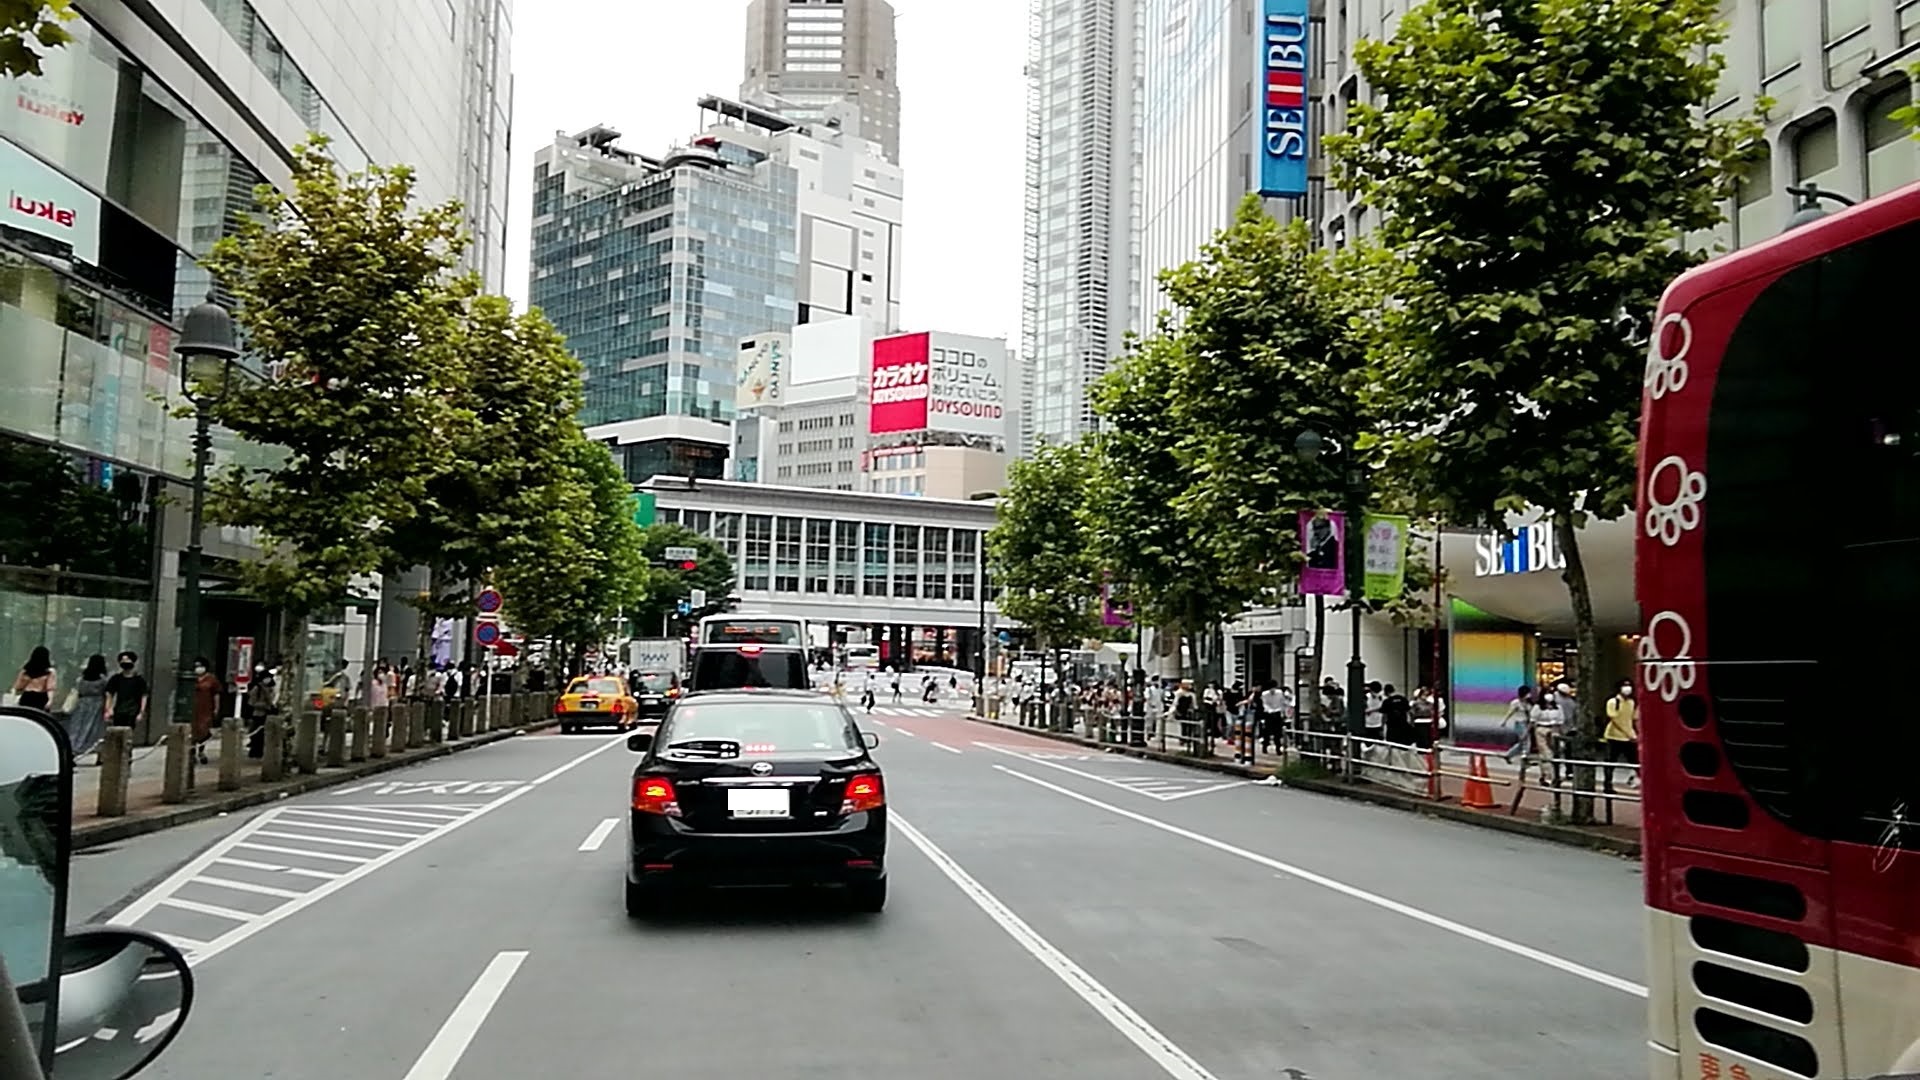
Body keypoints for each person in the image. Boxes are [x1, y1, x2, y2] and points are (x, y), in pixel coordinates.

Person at [65, 654, 110, 757]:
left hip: (82, 703)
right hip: (97, 704)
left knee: (77, 726)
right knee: (93, 728)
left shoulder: (82, 678)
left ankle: (73, 746)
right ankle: (89, 748)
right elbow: (106, 692)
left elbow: (78, 689)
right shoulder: (103, 679)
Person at [1603, 680, 1639, 792]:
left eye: (1629, 686)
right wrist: (1630, 733)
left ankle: (1637, 782)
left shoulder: (1632, 702)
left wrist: (1635, 733)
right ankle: (1607, 786)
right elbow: (1615, 720)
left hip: (1628, 737)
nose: (1627, 688)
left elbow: (1633, 718)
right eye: (1625, 686)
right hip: (1613, 736)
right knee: (1610, 763)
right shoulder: (1613, 702)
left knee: (1636, 762)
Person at [103, 651, 149, 732]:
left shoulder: (139, 680)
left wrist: (141, 712)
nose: (125, 663)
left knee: (128, 733)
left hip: (132, 711)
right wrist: (108, 709)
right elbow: (109, 694)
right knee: (117, 732)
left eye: (127, 660)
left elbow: (144, 696)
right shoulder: (116, 678)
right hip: (118, 710)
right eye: (123, 660)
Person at [192, 657, 221, 764]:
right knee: (192, 731)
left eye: (200, 666)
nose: (197, 669)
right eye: (196, 666)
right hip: (193, 709)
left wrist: (216, 708)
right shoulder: (192, 679)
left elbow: (216, 694)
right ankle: (192, 752)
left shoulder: (211, 679)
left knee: (203, 730)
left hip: (206, 708)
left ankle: (201, 751)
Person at [12, 645, 55, 711]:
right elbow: (50, 689)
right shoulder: (49, 672)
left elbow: (17, 686)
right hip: (41, 698)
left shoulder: (26, 670)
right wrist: (50, 701)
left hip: (26, 697)